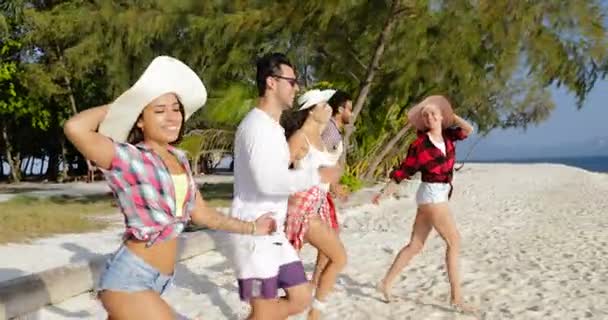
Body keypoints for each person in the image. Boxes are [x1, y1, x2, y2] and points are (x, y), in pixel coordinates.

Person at [63, 56, 276, 320]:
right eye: (159, 110)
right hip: (129, 281)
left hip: (158, 282)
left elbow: (204, 215)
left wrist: (253, 228)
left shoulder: (181, 159)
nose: (172, 117)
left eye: (176, 109)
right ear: (140, 120)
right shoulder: (129, 157)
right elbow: (75, 128)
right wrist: (124, 105)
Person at [228, 53, 339, 320]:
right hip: (253, 233)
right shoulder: (256, 127)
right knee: (264, 311)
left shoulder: (273, 128)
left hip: (273, 233)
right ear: (271, 82)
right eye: (292, 81)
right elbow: (267, 182)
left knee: (300, 298)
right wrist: (316, 175)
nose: (297, 87)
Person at [372, 95, 475, 312]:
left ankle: (385, 283)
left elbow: (469, 130)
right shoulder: (420, 144)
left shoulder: (448, 137)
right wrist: (384, 193)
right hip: (432, 197)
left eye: (433, 113)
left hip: (435, 196)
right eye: (425, 115)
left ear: (441, 116)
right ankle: (457, 297)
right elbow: (403, 171)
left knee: (415, 246)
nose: (429, 117)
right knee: (454, 242)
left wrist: (452, 115)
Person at [281, 89, 347, 320]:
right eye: (325, 105)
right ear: (312, 110)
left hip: (317, 206)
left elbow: (324, 172)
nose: (329, 108)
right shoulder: (300, 138)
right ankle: (314, 313)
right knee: (338, 257)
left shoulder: (320, 138)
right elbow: (278, 174)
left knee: (331, 258)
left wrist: (334, 184)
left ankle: (313, 310)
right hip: (300, 208)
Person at [310, 90, 352, 287]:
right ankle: (315, 282)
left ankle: (316, 280)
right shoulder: (330, 132)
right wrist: (334, 185)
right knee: (327, 237)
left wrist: (334, 186)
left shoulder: (333, 130)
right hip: (316, 191)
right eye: (349, 109)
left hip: (322, 191)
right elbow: (319, 161)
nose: (351, 114)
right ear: (340, 109)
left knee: (331, 235)